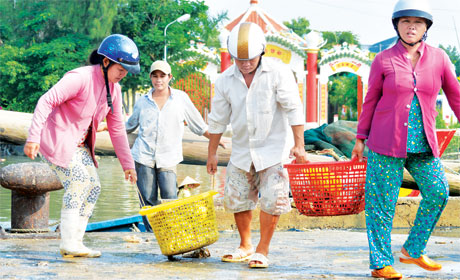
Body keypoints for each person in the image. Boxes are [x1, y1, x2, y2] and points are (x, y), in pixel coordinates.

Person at [351, 0, 460, 278]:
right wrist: (360, 138)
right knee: (381, 204)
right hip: (385, 143)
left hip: (423, 143)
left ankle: (413, 250)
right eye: (405, 21)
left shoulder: (439, 58)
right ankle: (380, 264)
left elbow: (455, 96)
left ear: (426, 27)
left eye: (418, 22)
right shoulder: (383, 59)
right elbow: (371, 99)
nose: (412, 26)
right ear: (397, 25)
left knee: (438, 191)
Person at [24, 34, 139, 258]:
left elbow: (116, 129)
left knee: (94, 186)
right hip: (56, 140)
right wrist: (33, 137)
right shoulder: (79, 78)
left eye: (127, 71)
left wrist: (128, 165)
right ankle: (67, 242)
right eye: (120, 69)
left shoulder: (114, 90)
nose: (123, 74)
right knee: (77, 181)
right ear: (106, 62)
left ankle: (76, 241)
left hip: (80, 146)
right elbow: (46, 101)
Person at [206, 22, 307, 269]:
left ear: (261, 52)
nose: (245, 64)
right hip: (241, 150)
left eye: (250, 58)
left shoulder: (278, 72)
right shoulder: (224, 80)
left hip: (274, 150)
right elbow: (217, 119)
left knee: (273, 200)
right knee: (237, 197)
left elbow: (293, 108)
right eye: (239, 59)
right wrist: (211, 154)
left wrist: (299, 145)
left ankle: (262, 249)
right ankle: (245, 244)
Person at [126, 60, 224, 232]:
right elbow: (130, 125)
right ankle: (152, 235)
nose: (159, 80)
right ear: (150, 77)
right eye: (155, 76)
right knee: (148, 201)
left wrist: (214, 139)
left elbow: (198, 125)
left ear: (170, 77)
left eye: (162, 76)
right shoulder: (143, 101)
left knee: (170, 199)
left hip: (168, 157)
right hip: (144, 156)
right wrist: (107, 127)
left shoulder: (180, 98)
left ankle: (171, 234)